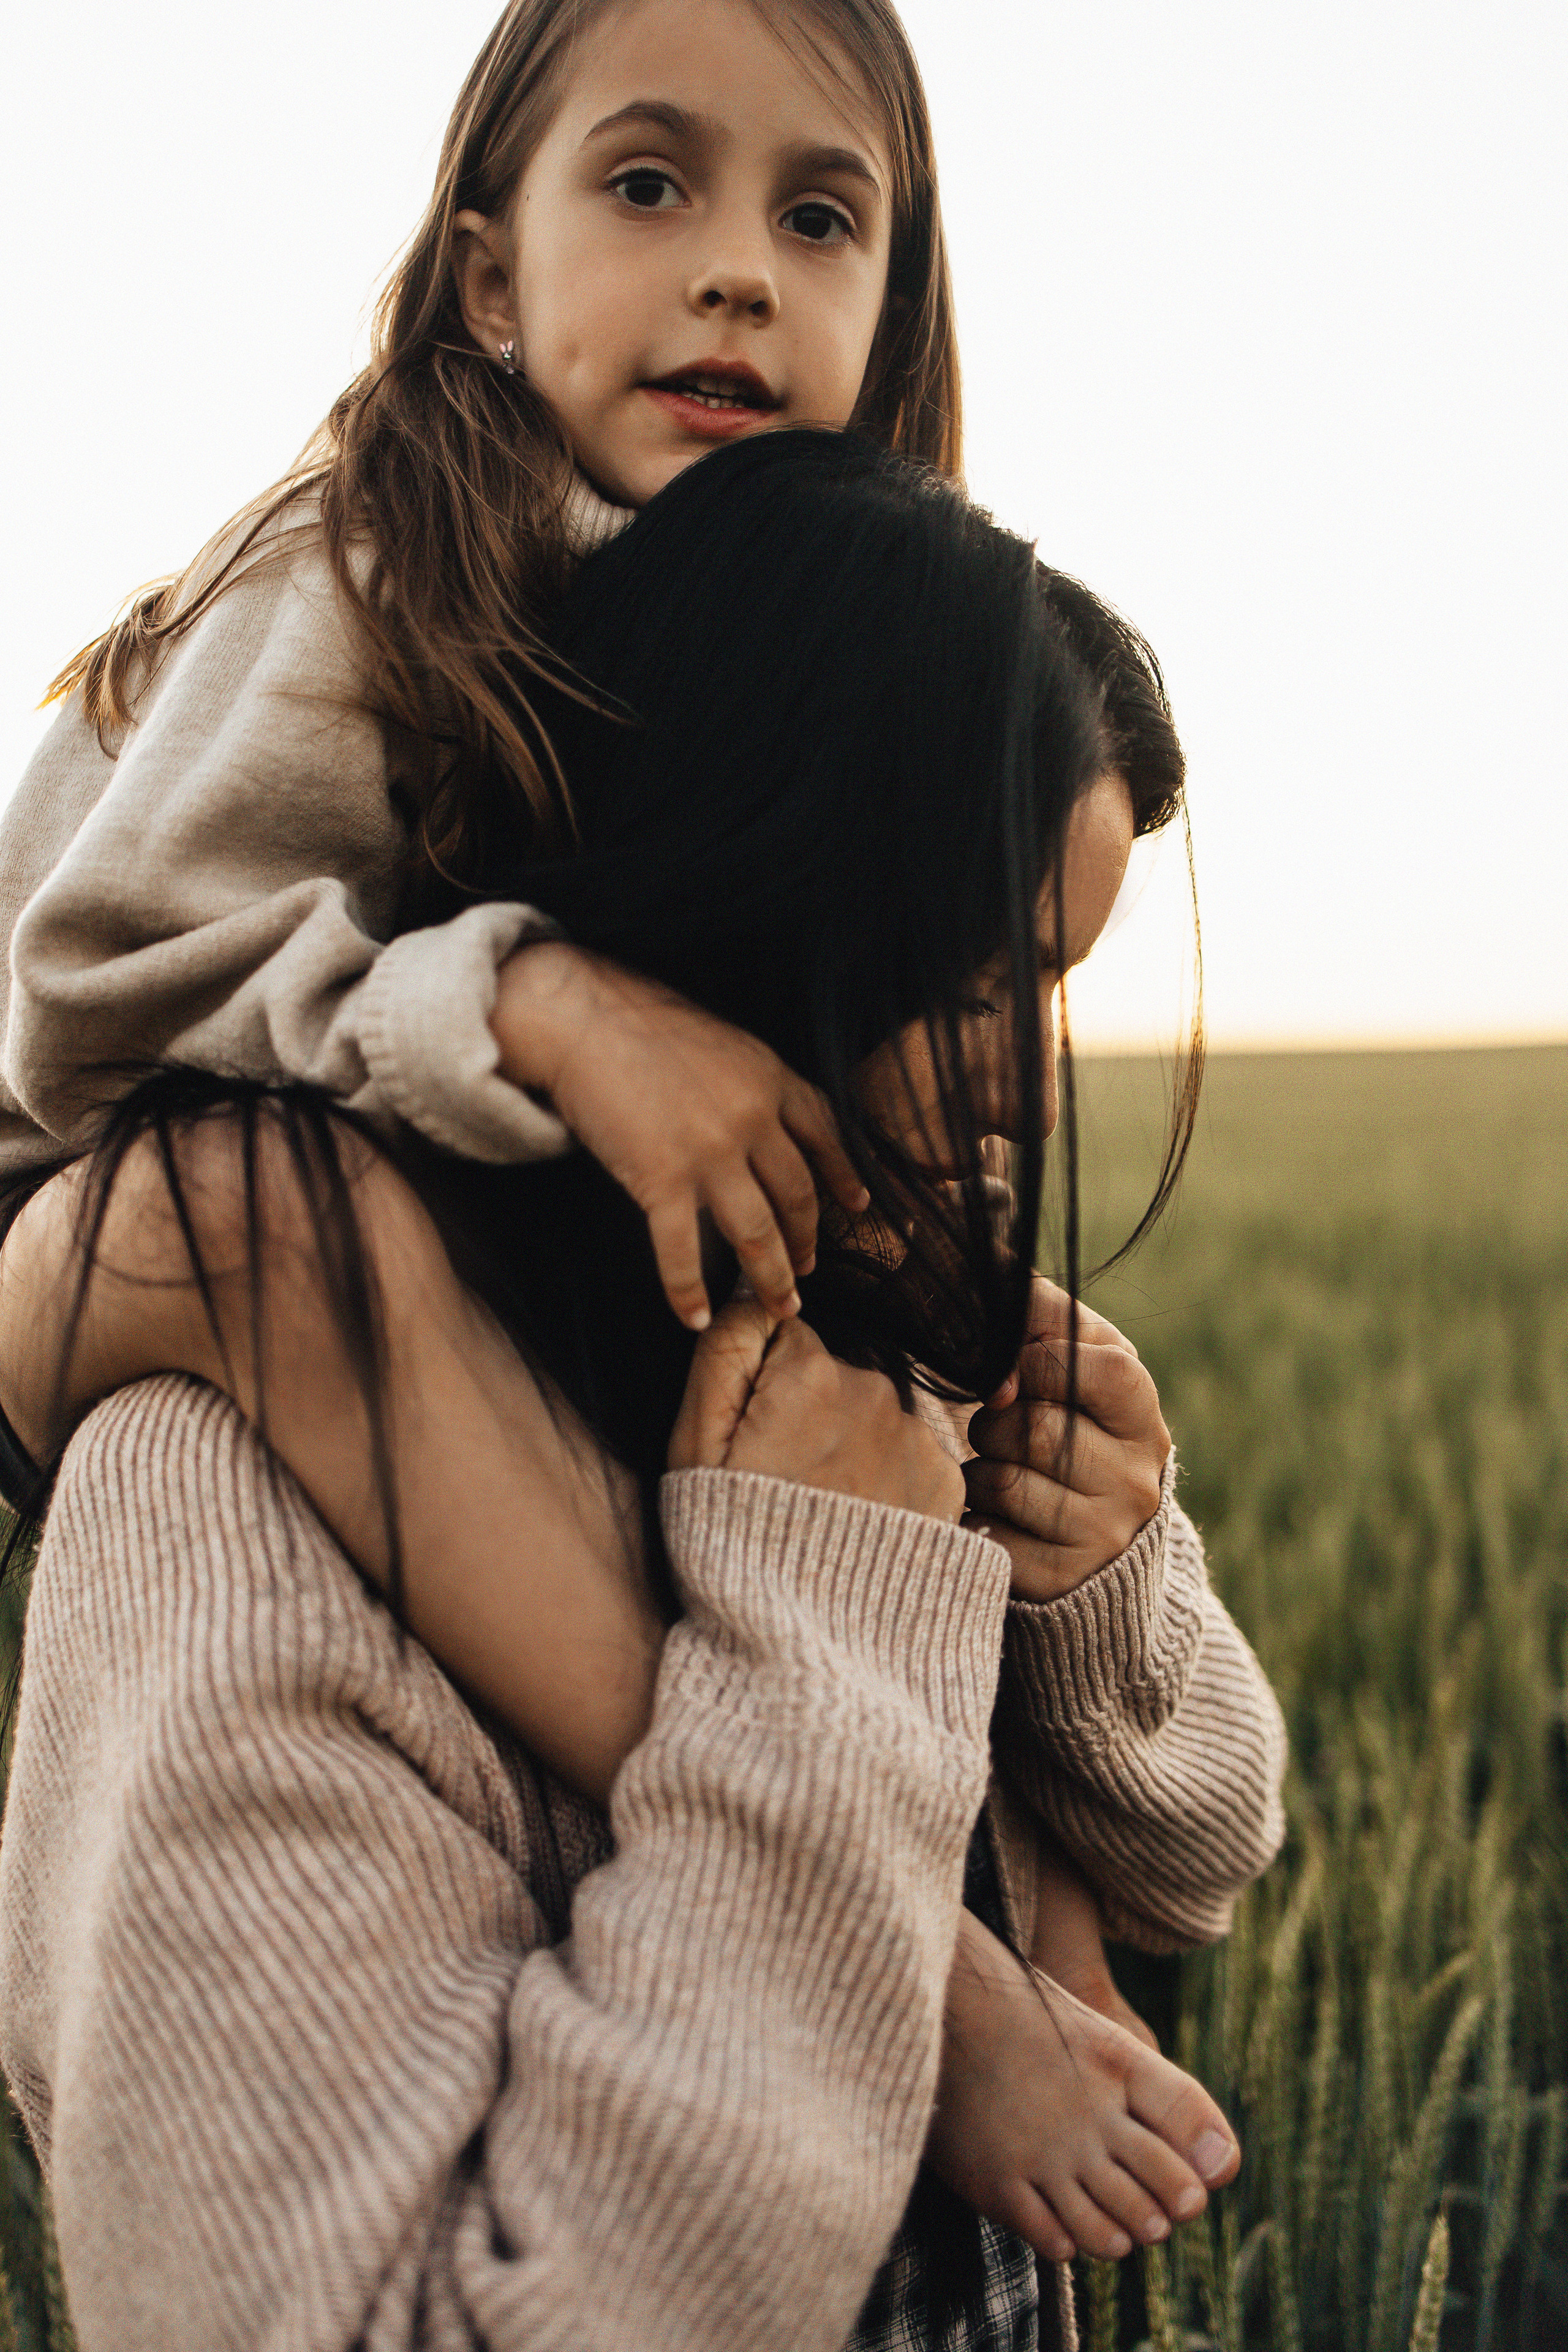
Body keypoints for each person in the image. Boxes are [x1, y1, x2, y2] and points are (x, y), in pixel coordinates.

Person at [0, 432, 1286, 2350]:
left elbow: (1193, 1863)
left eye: (1063, 986)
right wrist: (818, 1666)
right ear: (737, 879)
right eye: (972, 981)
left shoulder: (840, 1327)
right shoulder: (227, 1517)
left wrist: (1100, 1582)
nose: (1028, 1081)